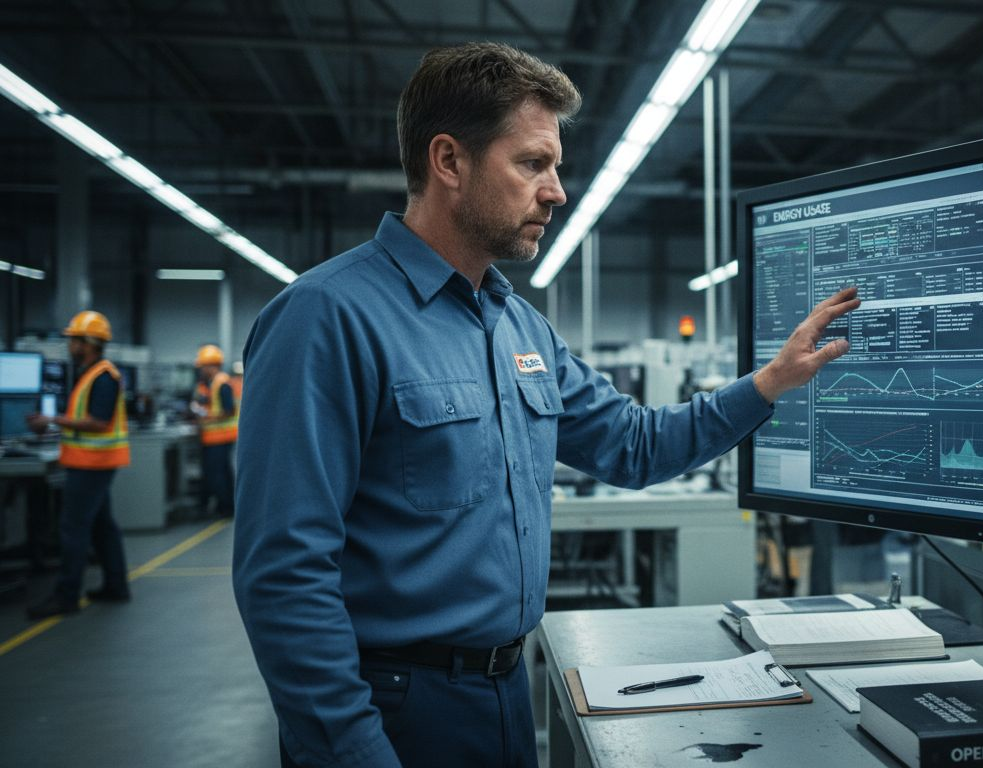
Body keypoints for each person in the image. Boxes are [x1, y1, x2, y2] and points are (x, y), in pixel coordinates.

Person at [232, 42, 860, 768]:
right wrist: (352, 750)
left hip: (506, 696)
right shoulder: (326, 317)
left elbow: (634, 446)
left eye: (553, 167)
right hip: (395, 709)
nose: (557, 189)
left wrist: (769, 383)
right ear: (449, 161)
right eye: (533, 163)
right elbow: (284, 575)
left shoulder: (519, 327)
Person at [25, 310, 132, 619]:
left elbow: (98, 423)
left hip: (91, 463)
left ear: (89, 342)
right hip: (91, 462)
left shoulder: (103, 377)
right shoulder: (91, 374)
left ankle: (66, 595)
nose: (70, 346)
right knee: (102, 526)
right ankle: (116, 585)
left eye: (74, 340)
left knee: (73, 529)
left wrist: (52, 421)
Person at [191, 344, 237, 517]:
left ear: (212, 365)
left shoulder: (222, 383)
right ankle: (224, 506)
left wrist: (206, 418)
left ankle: (225, 508)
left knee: (217, 474)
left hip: (220, 437)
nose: (201, 370)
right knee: (222, 473)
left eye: (203, 366)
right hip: (213, 437)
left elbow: (228, 410)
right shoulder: (209, 384)